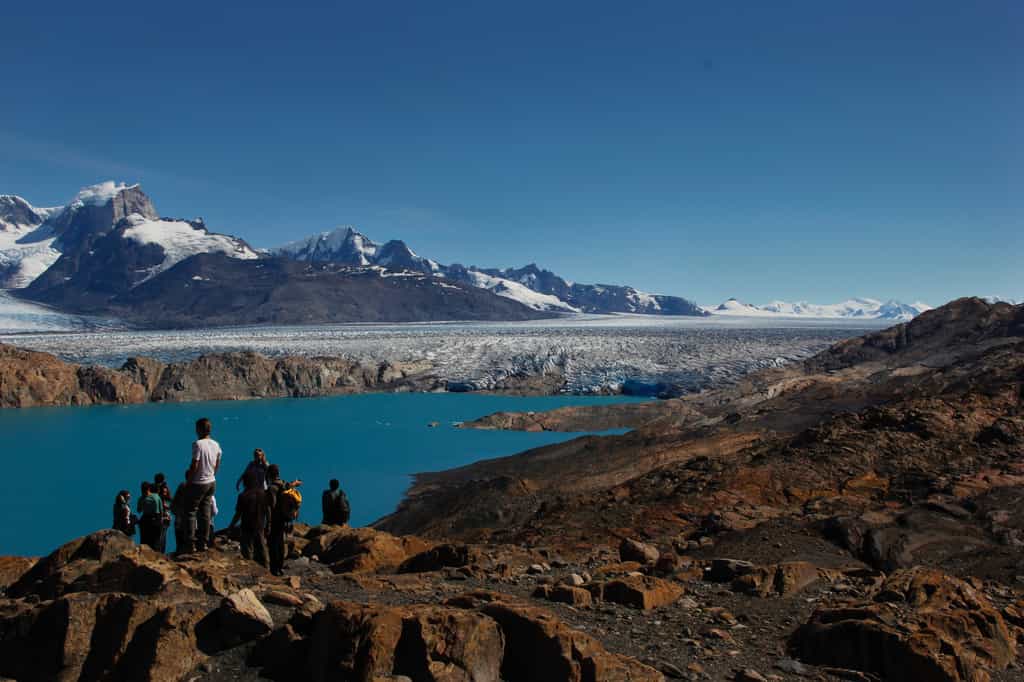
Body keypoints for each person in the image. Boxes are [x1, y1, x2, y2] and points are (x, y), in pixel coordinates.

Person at [181, 417, 222, 553]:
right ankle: (203, 543)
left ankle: (191, 543)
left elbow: (195, 464)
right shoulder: (216, 444)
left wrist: (189, 480)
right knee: (205, 513)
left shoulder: (198, 444)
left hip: (199, 482)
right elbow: (217, 463)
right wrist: (212, 474)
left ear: (199, 429)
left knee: (191, 512)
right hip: (211, 482)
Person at [266, 464, 302, 576]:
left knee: (273, 544)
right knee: (281, 542)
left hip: (275, 518)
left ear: (269, 475)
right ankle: (280, 567)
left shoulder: (272, 488)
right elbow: (291, 485)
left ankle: (274, 568)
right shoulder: (284, 484)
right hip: (284, 518)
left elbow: (271, 505)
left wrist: (268, 521)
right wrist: (296, 483)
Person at [228, 470, 270, 567]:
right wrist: (268, 524)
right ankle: (266, 568)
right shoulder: (263, 494)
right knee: (262, 548)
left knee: (247, 550)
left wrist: (231, 526)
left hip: (247, 526)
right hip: (260, 525)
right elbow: (268, 511)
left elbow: (238, 514)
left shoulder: (243, 496)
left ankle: (251, 568)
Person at [137, 482, 164, 551]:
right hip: (148, 518)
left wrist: (160, 519)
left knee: (154, 540)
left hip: (153, 519)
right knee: (146, 540)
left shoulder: (154, 497)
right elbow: (139, 510)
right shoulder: (154, 497)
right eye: (142, 489)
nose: (143, 491)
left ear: (149, 489)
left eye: (144, 489)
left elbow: (139, 510)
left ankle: (155, 555)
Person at [153, 473, 172, 553]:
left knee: (161, 535)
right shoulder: (164, 489)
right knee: (161, 535)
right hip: (164, 516)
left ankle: (159, 551)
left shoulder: (157, 491)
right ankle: (160, 551)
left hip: (163, 517)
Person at [170, 471, 189, 554]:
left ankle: (180, 550)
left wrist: (175, 511)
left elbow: (174, 502)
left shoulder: (182, 485)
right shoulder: (188, 486)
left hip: (180, 514)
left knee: (179, 533)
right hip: (185, 514)